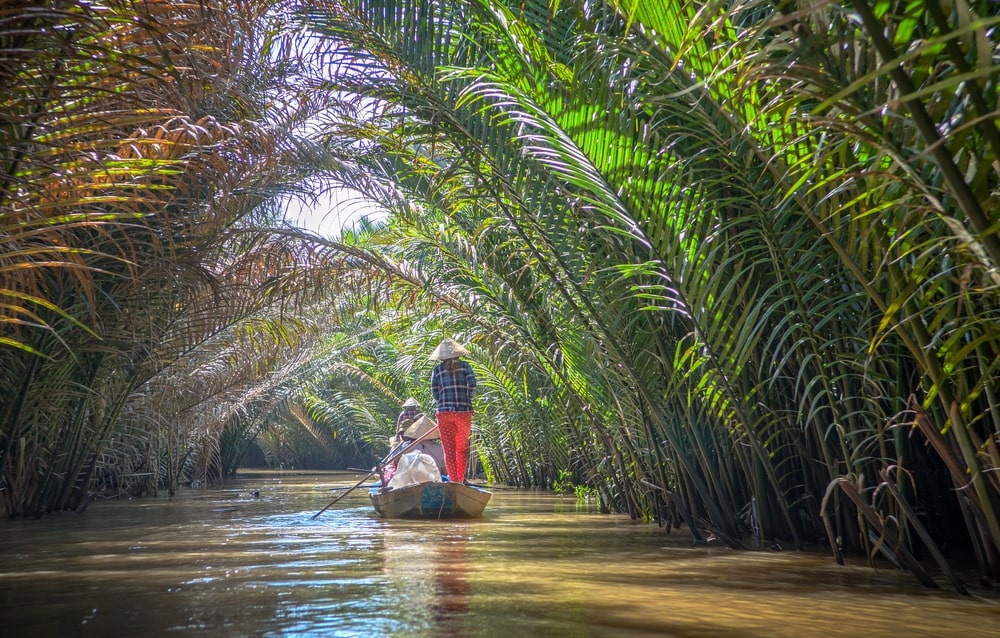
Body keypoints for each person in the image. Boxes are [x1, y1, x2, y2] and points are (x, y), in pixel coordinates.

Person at [429, 337, 476, 483]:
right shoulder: (465, 366)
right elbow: (473, 385)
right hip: (463, 413)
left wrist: (443, 402)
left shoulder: (437, 370)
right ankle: (460, 480)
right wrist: (466, 398)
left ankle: (453, 481)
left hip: (444, 413)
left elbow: (435, 392)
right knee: (461, 448)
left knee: (448, 450)